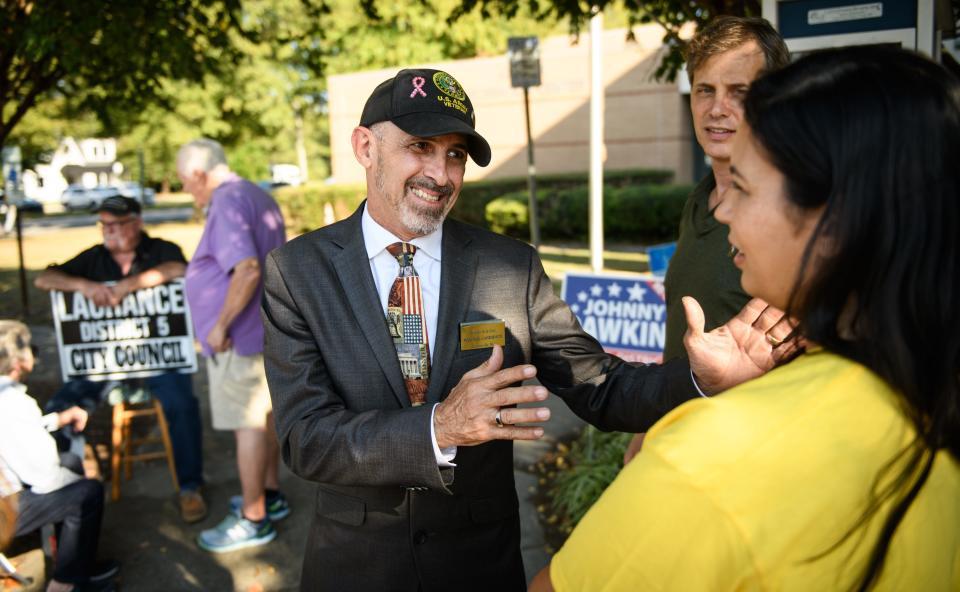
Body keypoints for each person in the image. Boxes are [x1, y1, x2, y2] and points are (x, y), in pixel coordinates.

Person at [261, 68, 794, 590]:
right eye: (420, 147)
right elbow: (306, 438)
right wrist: (440, 428)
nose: (441, 175)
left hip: (478, 568)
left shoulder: (510, 266)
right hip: (356, 569)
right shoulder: (298, 271)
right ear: (365, 147)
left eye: (455, 155)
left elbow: (600, 386)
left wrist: (700, 379)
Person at [532, 46, 960, 591]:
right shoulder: (927, 398)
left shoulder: (709, 461)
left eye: (746, 188)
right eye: (705, 90)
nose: (725, 208)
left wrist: (713, 431)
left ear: (835, 224)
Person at [624, 16, 792, 463]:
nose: (718, 109)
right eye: (705, 90)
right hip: (680, 446)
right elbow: (685, 335)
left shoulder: (795, 215)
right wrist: (648, 427)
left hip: (749, 461)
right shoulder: (698, 200)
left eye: (739, 92)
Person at [34, 195, 207, 523]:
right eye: (105, 224)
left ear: (137, 222)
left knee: (182, 405)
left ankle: (190, 487)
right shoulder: (93, 259)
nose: (109, 231)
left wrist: (130, 285)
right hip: (105, 364)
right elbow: (45, 279)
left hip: (159, 360)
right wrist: (82, 285)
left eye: (117, 224)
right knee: (61, 405)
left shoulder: (160, 249)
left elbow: (178, 269)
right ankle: (65, 486)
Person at [175, 138, 289, 553]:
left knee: (249, 425)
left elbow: (247, 269)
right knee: (266, 417)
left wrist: (220, 325)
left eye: (186, 183)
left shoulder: (225, 201)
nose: (189, 192)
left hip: (240, 339)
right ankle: (270, 496)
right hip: (266, 331)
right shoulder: (256, 193)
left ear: (199, 175)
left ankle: (253, 516)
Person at [0, 321, 120, 592]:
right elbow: (45, 478)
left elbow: (12, 432)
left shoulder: (5, 396)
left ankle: (76, 564)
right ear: (20, 361)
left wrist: (57, 419)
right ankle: (65, 583)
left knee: (70, 464)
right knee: (87, 492)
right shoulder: (13, 402)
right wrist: (79, 477)